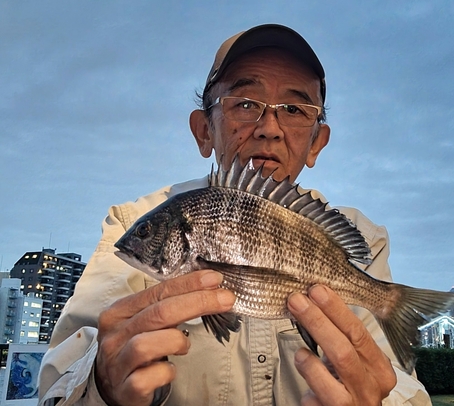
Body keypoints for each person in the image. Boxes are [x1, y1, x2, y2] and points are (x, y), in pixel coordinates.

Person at [38, 24, 432, 406]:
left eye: (294, 108)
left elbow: (404, 390)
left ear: (317, 143)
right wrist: (102, 386)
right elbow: (59, 383)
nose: (270, 128)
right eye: (244, 104)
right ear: (204, 131)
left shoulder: (363, 238)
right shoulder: (133, 222)